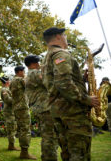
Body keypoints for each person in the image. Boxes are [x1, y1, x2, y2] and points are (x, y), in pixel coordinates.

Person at [42, 27, 99, 161]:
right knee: (79, 154)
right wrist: (86, 99)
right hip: (72, 112)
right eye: (65, 35)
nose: (66, 38)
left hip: (59, 110)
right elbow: (62, 83)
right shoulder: (61, 54)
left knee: (67, 153)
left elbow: (56, 81)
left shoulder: (48, 56)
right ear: (58, 37)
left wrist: (80, 78)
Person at [24, 55, 58, 161]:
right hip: (45, 108)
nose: (40, 64)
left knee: (49, 135)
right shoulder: (34, 73)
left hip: (44, 108)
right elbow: (49, 80)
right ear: (33, 64)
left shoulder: (31, 73)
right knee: (50, 137)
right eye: (38, 62)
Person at [10, 66, 36, 160]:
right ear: (20, 71)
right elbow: (30, 85)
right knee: (25, 130)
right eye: (23, 71)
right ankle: (24, 152)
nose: (24, 73)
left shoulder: (12, 81)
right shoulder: (20, 80)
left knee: (21, 129)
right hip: (22, 107)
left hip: (17, 107)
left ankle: (23, 151)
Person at [0, 76, 20, 151]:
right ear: (6, 82)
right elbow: (8, 100)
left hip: (11, 111)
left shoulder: (8, 89)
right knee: (11, 128)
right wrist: (17, 98)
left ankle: (12, 144)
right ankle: (11, 145)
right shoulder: (4, 90)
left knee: (13, 127)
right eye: (9, 81)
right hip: (9, 111)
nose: (10, 82)